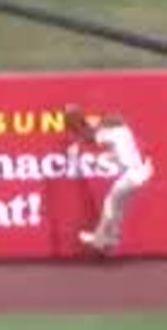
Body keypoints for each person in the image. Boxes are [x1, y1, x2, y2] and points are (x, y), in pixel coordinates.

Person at [65, 105, 152, 255]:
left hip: (131, 175)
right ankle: (112, 239)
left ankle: (99, 238)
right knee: (117, 208)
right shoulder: (124, 130)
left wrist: (78, 125)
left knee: (110, 202)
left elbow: (90, 137)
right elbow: (98, 128)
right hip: (139, 174)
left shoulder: (113, 133)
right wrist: (83, 122)